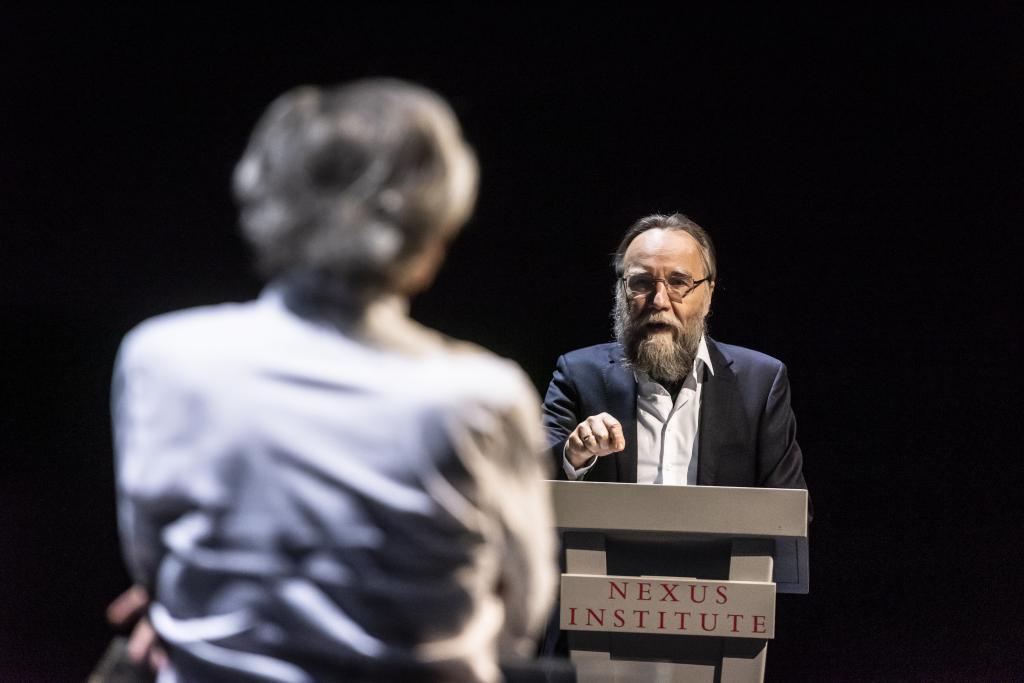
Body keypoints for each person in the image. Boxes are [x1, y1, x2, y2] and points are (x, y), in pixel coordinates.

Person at [109, 79, 557, 683]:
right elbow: (520, 621)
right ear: (431, 230)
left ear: (265, 198)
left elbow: (156, 571)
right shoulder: (481, 397)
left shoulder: (159, 359)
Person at [543, 212, 807, 490]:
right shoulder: (578, 375)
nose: (659, 301)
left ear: (708, 295)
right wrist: (574, 456)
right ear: (621, 292)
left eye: (679, 282)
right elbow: (524, 485)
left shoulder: (761, 383)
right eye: (641, 283)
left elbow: (789, 514)